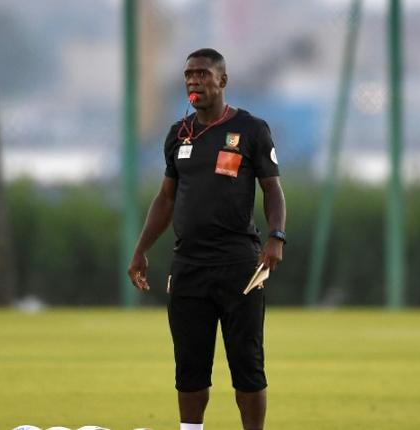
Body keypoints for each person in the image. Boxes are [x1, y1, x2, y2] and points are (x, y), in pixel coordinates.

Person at [127, 48, 286, 430]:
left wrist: (276, 237)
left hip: (239, 265)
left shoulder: (251, 130)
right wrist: (141, 250)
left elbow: (273, 190)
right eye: (188, 75)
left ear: (223, 81)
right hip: (189, 266)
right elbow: (165, 199)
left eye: (202, 74)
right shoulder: (178, 135)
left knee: (247, 363)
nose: (193, 81)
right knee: (190, 364)